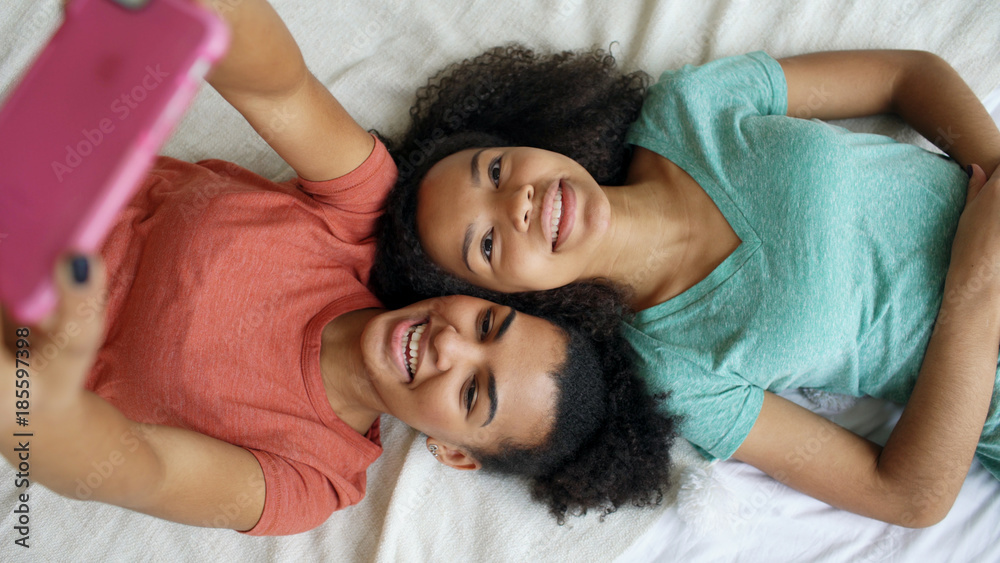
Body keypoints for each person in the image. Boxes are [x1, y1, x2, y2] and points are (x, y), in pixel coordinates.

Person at [0, 3, 675, 536]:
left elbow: (132, 471)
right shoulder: (361, 218)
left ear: (456, 453)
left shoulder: (311, 479)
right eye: (488, 323)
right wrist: (201, 13)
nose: (449, 343)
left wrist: (43, 388)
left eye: (473, 392)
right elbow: (276, 84)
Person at [371, 45, 1000, 527]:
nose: (517, 204)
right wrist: (974, 292)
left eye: (496, 170)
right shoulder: (676, 370)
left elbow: (909, 76)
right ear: (514, 299)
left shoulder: (689, 107)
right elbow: (908, 497)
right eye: (486, 244)